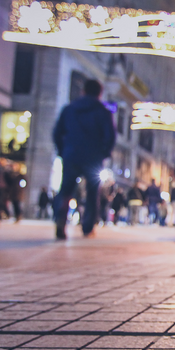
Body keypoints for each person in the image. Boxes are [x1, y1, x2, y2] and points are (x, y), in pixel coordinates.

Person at [52, 79, 115, 239]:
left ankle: (60, 220)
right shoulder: (103, 111)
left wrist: (62, 150)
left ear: (83, 91)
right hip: (93, 157)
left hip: (71, 155)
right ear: (100, 93)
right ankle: (87, 227)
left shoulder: (69, 109)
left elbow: (57, 132)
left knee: (65, 190)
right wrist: (104, 153)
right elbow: (110, 136)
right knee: (93, 193)